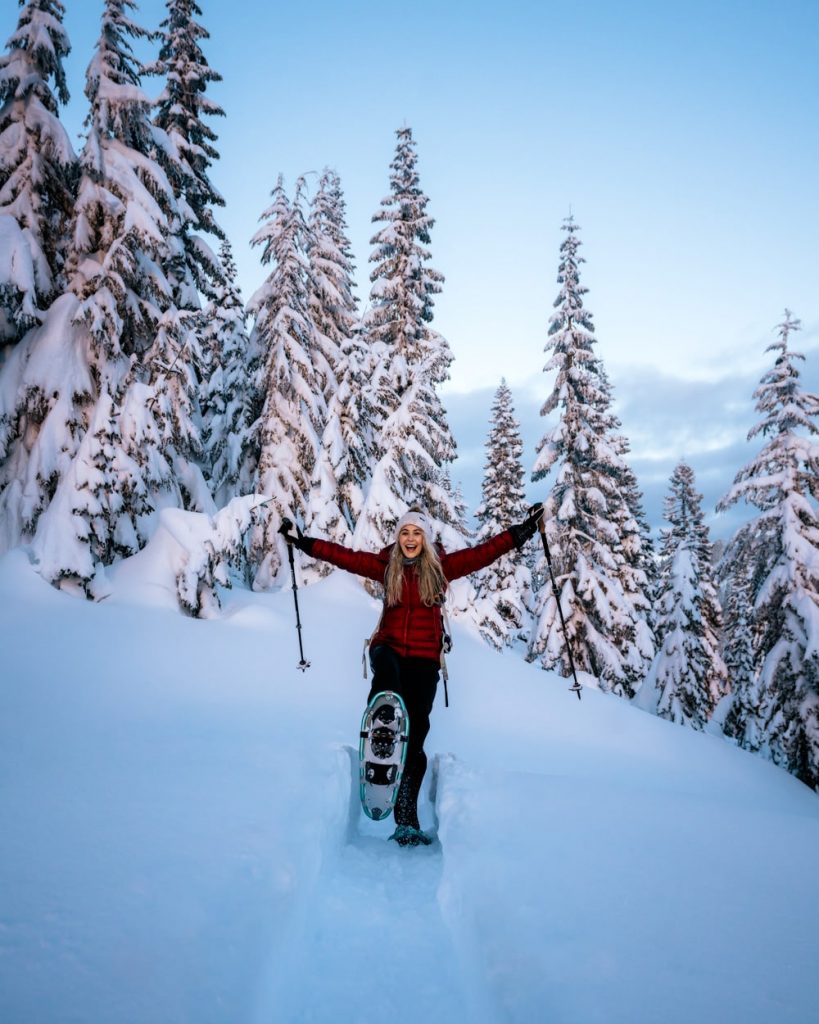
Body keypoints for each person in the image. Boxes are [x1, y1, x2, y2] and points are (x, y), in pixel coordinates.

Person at [281, 504, 544, 846]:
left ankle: (406, 819)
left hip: (424, 659)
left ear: (426, 538)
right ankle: (383, 722)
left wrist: (522, 532)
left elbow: (484, 554)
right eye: (405, 532)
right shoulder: (385, 565)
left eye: (416, 533)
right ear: (398, 537)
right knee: (387, 681)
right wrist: (304, 542)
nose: (409, 539)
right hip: (387, 646)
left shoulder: (442, 568)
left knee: (416, 735)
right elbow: (345, 557)